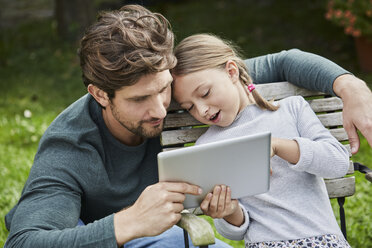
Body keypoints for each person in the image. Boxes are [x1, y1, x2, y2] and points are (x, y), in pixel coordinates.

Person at [4, 4, 371, 248]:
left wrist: (350, 86)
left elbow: (283, 62)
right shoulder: (70, 146)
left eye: (163, 90)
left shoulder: (187, 92)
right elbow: (25, 241)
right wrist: (128, 223)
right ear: (100, 95)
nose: (161, 109)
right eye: (138, 100)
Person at [171, 33, 352, 247]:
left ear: (231, 72)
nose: (201, 110)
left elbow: (339, 163)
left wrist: (278, 146)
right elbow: (236, 230)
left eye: (205, 93)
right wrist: (229, 212)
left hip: (323, 240)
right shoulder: (208, 147)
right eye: (189, 107)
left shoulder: (292, 109)